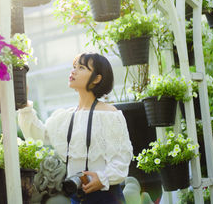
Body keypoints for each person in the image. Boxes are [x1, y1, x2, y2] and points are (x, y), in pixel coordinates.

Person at [18, 52, 133, 204]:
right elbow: (38, 136)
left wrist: (102, 178)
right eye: (74, 67)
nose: (73, 71)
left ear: (97, 78)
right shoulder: (65, 117)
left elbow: (121, 158)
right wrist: (24, 103)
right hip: (76, 196)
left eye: (81, 67)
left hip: (106, 196)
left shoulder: (110, 114)